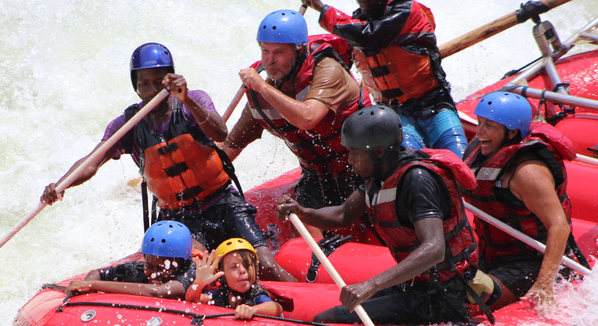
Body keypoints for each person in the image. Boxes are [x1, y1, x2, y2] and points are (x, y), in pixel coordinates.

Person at [42, 42, 295, 282]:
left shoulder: (192, 102)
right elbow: (91, 162)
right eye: (144, 84)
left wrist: (187, 99)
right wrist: (62, 184)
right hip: (179, 218)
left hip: (223, 203)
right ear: (136, 86)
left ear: (170, 80)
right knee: (192, 275)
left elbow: (220, 133)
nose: (152, 90)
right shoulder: (127, 125)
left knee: (265, 265)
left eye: (158, 82)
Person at [277, 105, 492, 326]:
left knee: (327, 319)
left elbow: (434, 249)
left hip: (443, 295)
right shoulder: (380, 175)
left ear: (378, 152)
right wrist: (301, 212)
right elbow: (342, 215)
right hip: (417, 286)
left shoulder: (416, 180)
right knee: (343, 309)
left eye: (355, 153)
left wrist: (370, 285)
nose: (349, 160)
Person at [222, 9, 369, 212]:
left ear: (299, 51)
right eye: (265, 51)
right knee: (300, 214)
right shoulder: (259, 96)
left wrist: (263, 87)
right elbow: (228, 150)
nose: (270, 60)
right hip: (317, 178)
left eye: (279, 52)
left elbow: (308, 118)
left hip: (365, 168)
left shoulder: (328, 71)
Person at [462, 91, 588, 310]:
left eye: (489, 125)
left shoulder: (527, 172)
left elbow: (559, 226)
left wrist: (544, 283)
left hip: (531, 263)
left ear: (511, 132)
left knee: (462, 304)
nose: (479, 131)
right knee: (439, 292)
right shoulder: (482, 148)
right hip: (492, 255)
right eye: (480, 122)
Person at [302, 0, 468, 159]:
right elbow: (335, 54)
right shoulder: (354, 24)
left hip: (435, 105)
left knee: (460, 159)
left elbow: (367, 36)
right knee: (408, 165)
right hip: (394, 115)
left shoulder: (406, 11)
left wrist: (322, 9)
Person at [66, 220, 197, 299]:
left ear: (181, 264)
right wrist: (86, 288)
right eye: (150, 266)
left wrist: (92, 285)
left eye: (162, 268)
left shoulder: (189, 273)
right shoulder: (137, 269)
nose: (154, 273)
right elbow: (97, 274)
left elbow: (159, 292)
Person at [186, 238, 283, 320]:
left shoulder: (256, 294)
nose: (242, 270)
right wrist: (199, 283)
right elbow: (192, 300)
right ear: (221, 274)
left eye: (247, 265)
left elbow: (276, 307)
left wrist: (253, 309)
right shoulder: (220, 295)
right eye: (234, 267)